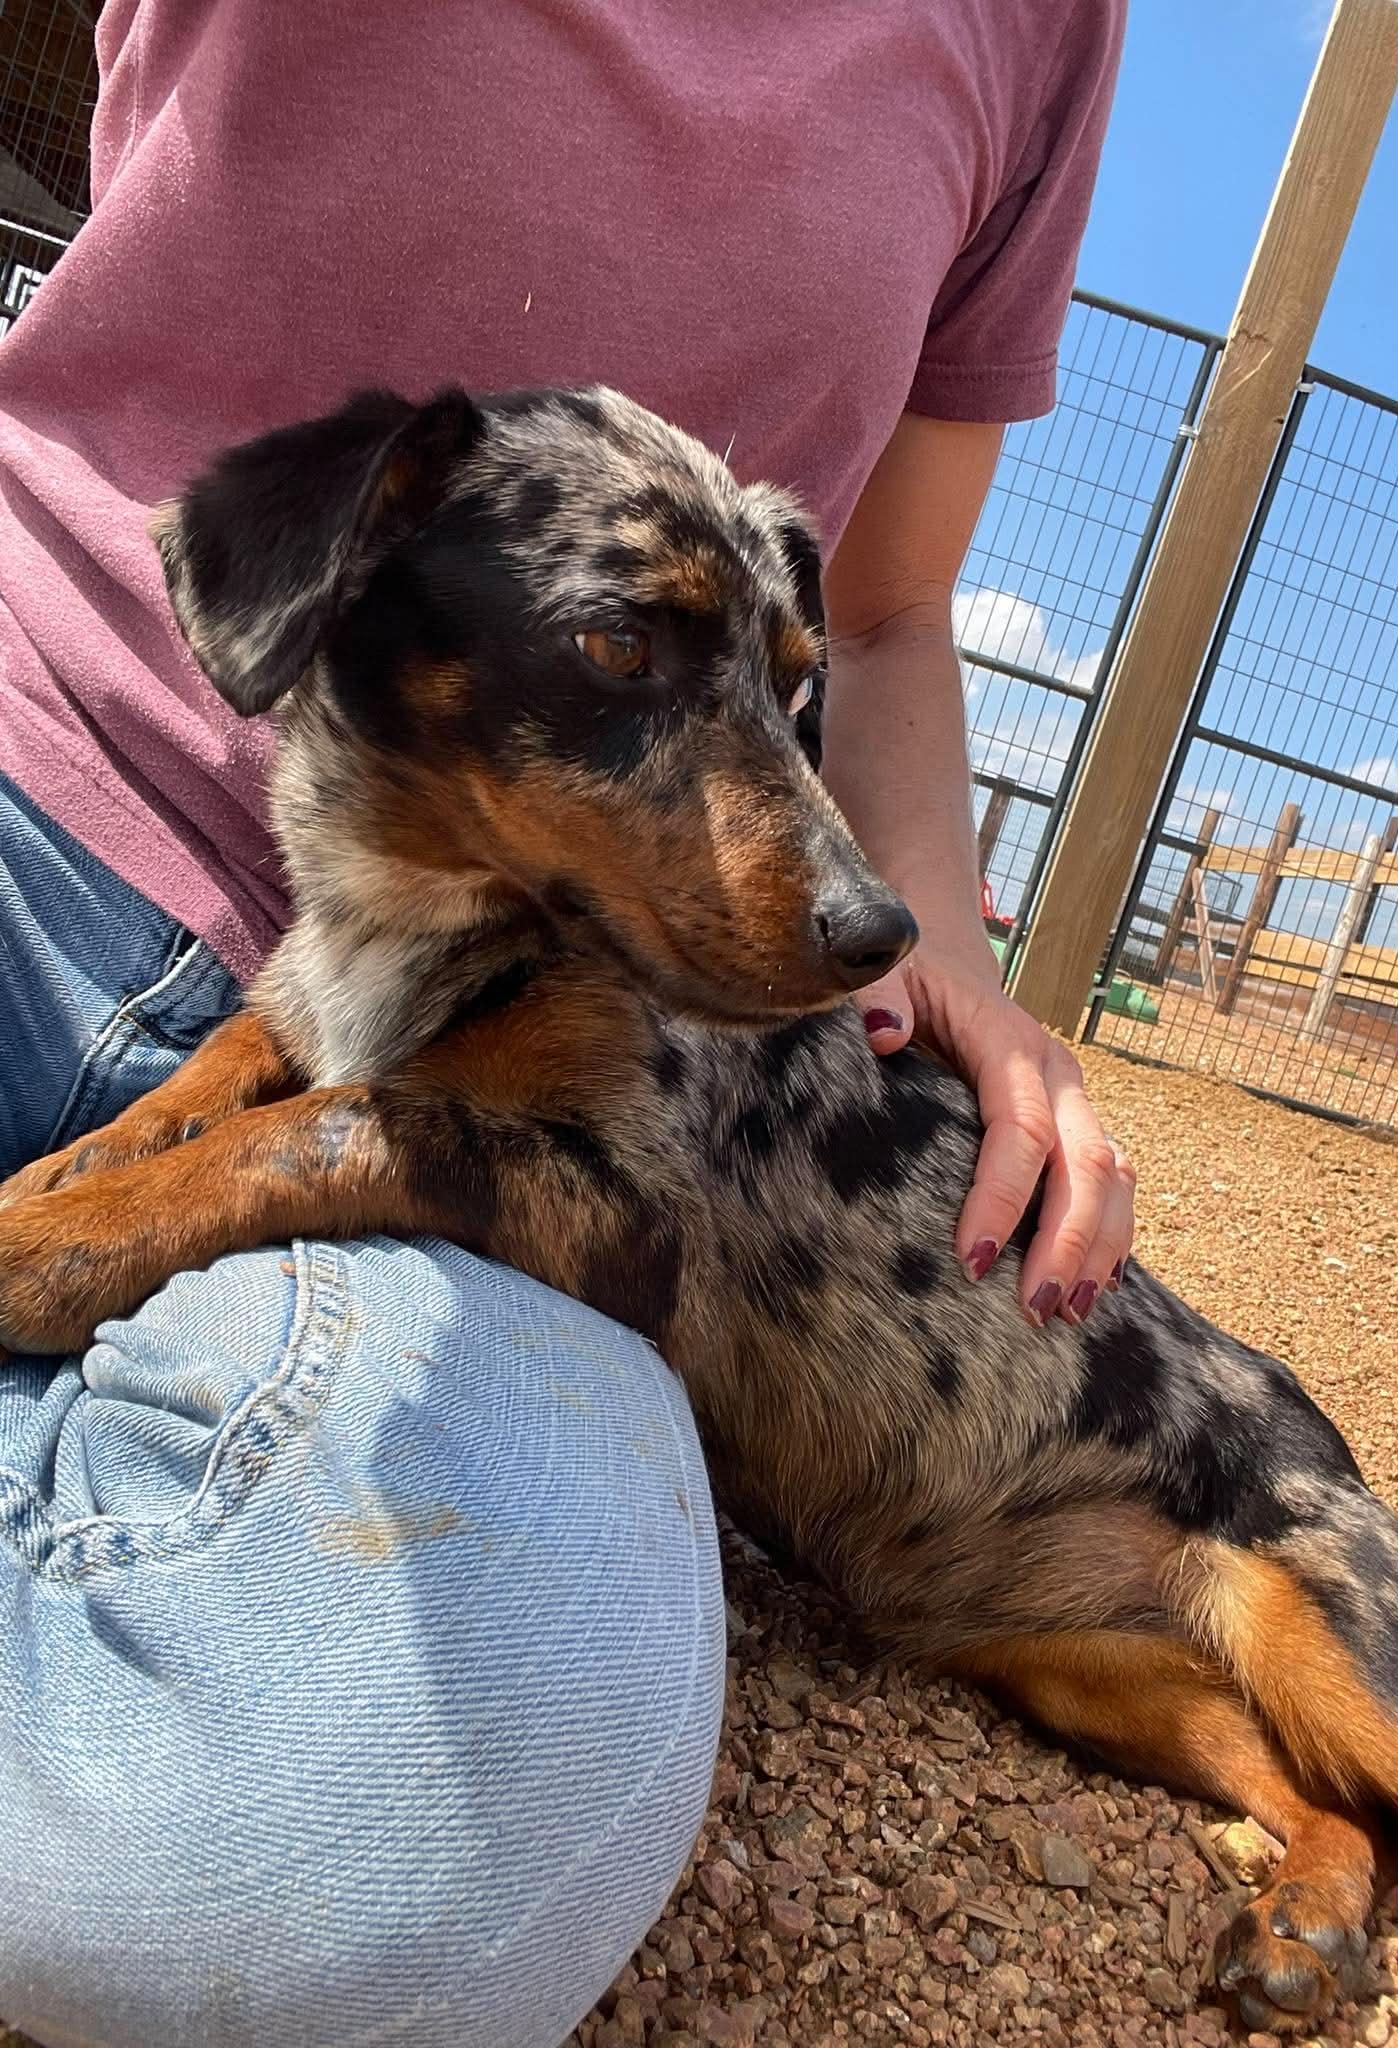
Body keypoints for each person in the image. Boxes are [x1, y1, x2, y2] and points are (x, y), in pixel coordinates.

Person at [0, 3, 1134, 2042]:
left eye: (756, 687)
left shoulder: (1042, 21)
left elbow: (883, 610)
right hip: (30, 751)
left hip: (512, 1032)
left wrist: (939, 924)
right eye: (624, 647)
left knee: (355, 1856)